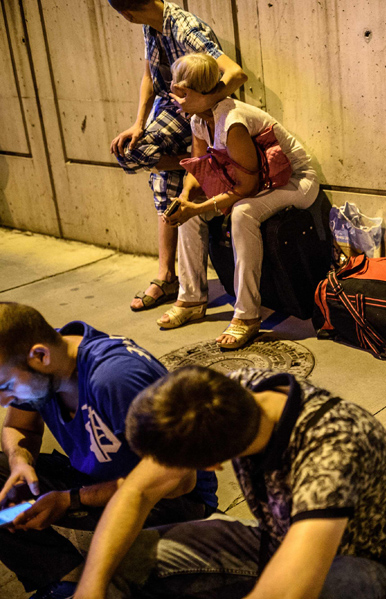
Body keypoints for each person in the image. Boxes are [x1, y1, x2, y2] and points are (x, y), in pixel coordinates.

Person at [73, 366, 386, 599]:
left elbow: (291, 590)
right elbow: (136, 490)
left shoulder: (332, 448)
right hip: (278, 540)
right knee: (122, 556)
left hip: (370, 569)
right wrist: (89, 591)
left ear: (211, 465)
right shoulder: (233, 391)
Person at [0, 303, 218, 599]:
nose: (4, 401)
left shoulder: (114, 378)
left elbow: (178, 482)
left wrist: (69, 500)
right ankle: (65, 578)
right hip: (98, 479)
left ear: (41, 355)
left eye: (6, 386)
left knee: (145, 577)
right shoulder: (43, 359)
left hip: (170, 500)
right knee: (6, 494)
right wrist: (19, 462)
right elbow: (19, 427)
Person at [156, 52, 320, 349]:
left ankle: (247, 315)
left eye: (181, 92)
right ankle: (191, 297)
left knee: (243, 212)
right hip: (256, 180)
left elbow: (248, 186)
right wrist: (184, 199)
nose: (175, 98)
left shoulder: (232, 123)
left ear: (202, 93)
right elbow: (200, 166)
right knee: (187, 213)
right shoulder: (198, 120)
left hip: (295, 181)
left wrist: (200, 206)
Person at [106, 0, 247, 313]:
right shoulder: (152, 26)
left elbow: (235, 74)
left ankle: (204, 159)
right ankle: (167, 276)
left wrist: (200, 102)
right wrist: (138, 123)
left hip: (195, 107)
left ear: (125, 14)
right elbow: (148, 76)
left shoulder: (184, 27)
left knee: (136, 154)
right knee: (160, 176)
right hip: (171, 107)